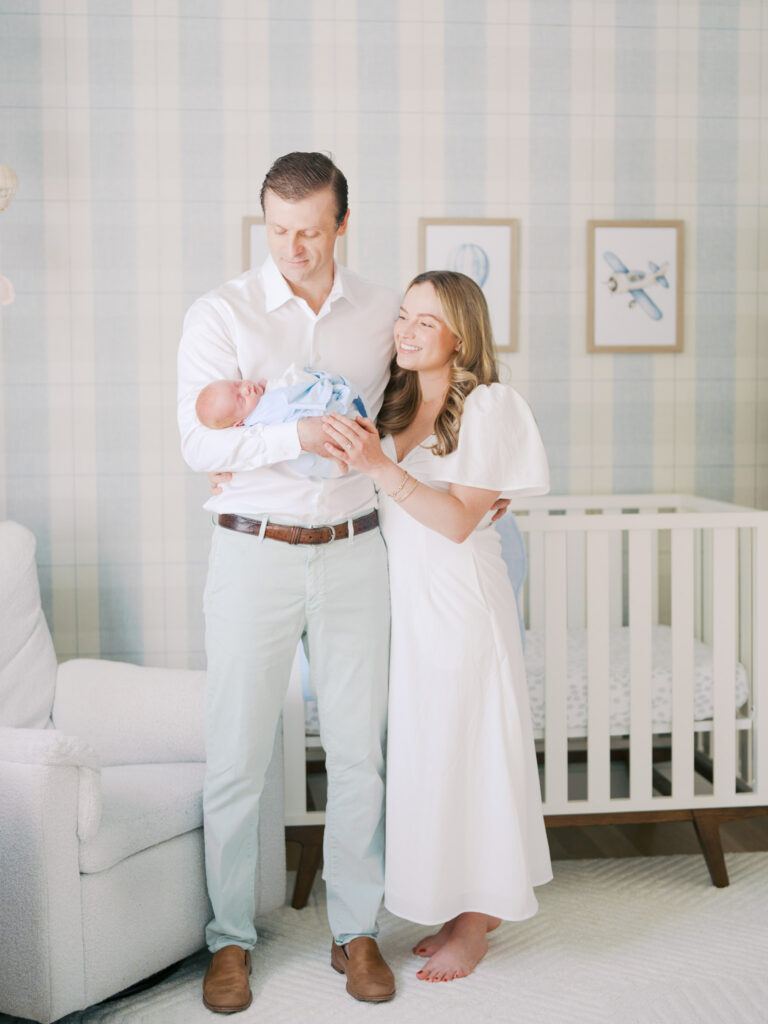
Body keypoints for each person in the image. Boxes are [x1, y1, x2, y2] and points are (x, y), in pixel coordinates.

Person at [177, 152, 399, 1012]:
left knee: (357, 755)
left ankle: (356, 932)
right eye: (277, 231)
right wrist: (292, 434)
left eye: (310, 231)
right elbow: (199, 444)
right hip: (252, 550)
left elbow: (417, 408)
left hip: (354, 549)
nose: (293, 248)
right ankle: (230, 941)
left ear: (342, 224)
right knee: (236, 756)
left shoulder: (383, 310)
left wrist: (471, 486)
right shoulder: (221, 313)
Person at [322, 270, 553, 984]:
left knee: (474, 751)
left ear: (462, 334)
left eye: (427, 321)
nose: (407, 331)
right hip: (409, 605)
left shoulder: (488, 405)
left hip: (461, 601)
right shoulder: (394, 405)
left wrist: (378, 469)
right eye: (404, 316)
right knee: (432, 757)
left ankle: (480, 921)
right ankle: (454, 904)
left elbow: (456, 521)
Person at [195, 366, 368, 477]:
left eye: (237, 384)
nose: (245, 389)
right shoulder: (263, 414)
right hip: (325, 459)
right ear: (239, 423)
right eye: (241, 400)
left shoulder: (266, 394)